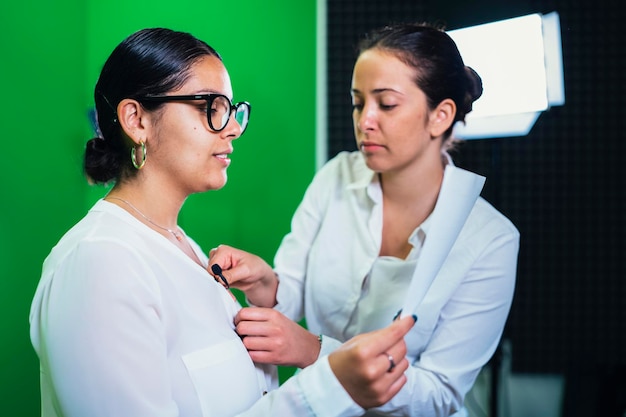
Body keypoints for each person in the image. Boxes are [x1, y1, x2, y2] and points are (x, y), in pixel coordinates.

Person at [28, 27, 419, 417]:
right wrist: (325, 388)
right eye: (210, 107)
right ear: (136, 120)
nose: (232, 127)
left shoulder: (183, 246)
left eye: (231, 110)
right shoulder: (99, 263)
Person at [208, 22, 520, 416]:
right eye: (358, 103)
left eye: (386, 104)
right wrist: (266, 282)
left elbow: (440, 394)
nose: (365, 120)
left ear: (440, 116)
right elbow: (291, 292)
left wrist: (314, 351)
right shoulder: (337, 175)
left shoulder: (491, 239)